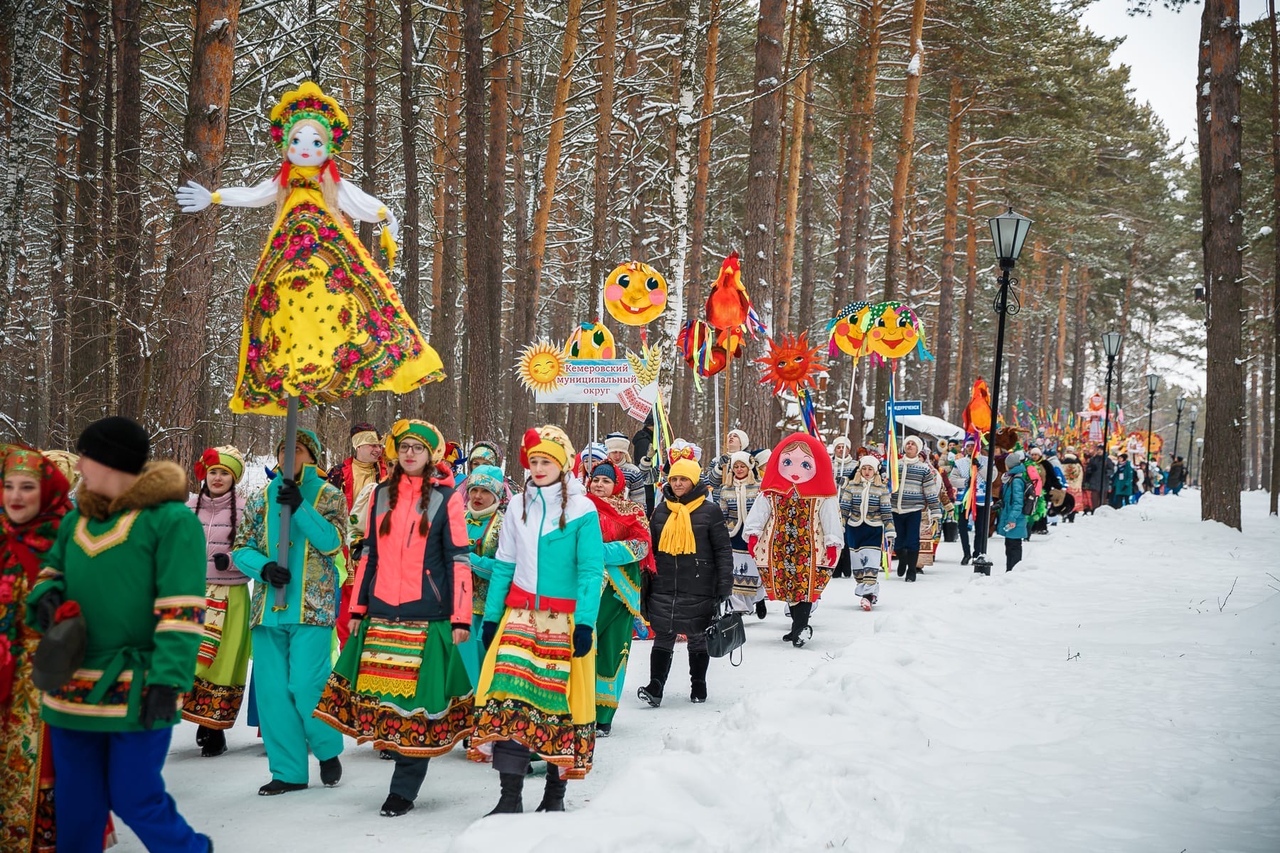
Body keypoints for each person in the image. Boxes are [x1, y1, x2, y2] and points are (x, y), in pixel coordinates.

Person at [24, 417, 211, 851]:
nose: (80, 466)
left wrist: (169, 680)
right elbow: (50, 574)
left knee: (135, 798)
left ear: (108, 460)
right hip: (71, 688)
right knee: (77, 807)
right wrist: (49, 598)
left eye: (85, 456)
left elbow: (182, 610)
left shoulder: (170, 522)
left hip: (139, 687)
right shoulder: (76, 523)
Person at [314, 420, 473, 818]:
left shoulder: (446, 498)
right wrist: (358, 609)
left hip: (427, 615)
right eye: (404, 446)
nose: (410, 453)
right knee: (384, 702)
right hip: (382, 614)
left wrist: (460, 617)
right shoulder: (381, 495)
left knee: (418, 705)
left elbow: (458, 560)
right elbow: (368, 554)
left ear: (432, 454)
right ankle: (396, 769)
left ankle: (403, 789)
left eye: (418, 448)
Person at [473, 426, 603, 814]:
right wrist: (492, 617)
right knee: (510, 702)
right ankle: (509, 797)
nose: (539, 467)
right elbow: (503, 565)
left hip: (564, 621)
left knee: (559, 706)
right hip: (520, 616)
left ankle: (553, 795)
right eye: (534, 461)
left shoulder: (583, 510)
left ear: (562, 465)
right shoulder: (517, 506)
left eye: (547, 461)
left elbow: (590, 570)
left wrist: (585, 623)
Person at [233, 428, 346, 796]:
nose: (288, 456)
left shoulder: (329, 494)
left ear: (311, 456)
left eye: (297, 450)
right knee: (273, 692)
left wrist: (300, 507)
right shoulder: (259, 497)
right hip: (268, 609)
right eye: (283, 450)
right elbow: (241, 547)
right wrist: (262, 567)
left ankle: (327, 748)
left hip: (312, 606)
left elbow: (332, 543)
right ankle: (289, 772)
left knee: (306, 684)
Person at [1, 446, 72, 851]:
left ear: (45, 492)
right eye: (8, 485)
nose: (15, 496)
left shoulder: (64, 540)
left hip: (40, 681)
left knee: (37, 765)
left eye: (27, 486)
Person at [641, 457, 733, 703]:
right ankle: (656, 686)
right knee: (663, 634)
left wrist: (724, 585)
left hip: (699, 584)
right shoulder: (661, 510)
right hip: (664, 583)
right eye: (674, 479)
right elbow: (652, 547)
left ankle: (698, 685)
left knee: (697, 635)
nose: (678, 483)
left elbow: (722, 550)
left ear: (693, 481)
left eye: (683, 479)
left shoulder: (710, 511)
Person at [181, 446, 252, 758]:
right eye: (214, 472)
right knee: (193, 658)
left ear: (234, 477)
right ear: (204, 475)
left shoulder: (246, 508)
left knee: (222, 662)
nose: (218, 477)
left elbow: (254, 547)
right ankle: (197, 717)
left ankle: (214, 728)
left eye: (225, 472)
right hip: (195, 593)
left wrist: (233, 560)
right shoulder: (189, 507)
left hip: (231, 595)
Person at [744, 433, 841, 647]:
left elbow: (830, 518)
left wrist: (832, 542)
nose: (795, 470)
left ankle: (800, 628)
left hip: (811, 546)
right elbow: (760, 512)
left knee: (806, 586)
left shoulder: (822, 495)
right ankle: (797, 626)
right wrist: (753, 532)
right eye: (787, 462)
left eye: (805, 464)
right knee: (788, 585)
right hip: (779, 545)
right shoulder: (772, 491)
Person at [584, 462, 652, 735]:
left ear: (617, 485)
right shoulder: (578, 508)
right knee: (585, 650)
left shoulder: (632, 511)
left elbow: (642, 545)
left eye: (606, 481)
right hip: (588, 591)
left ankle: (604, 715)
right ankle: (581, 708)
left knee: (613, 652)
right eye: (595, 479)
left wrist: (601, 552)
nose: (599, 485)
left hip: (621, 593)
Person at [458, 464, 506, 690]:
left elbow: (507, 568)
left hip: (483, 611)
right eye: (474, 489)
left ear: (497, 494)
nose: (478, 495)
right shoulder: (457, 518)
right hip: (453, 607)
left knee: (477, 670)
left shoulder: (504, 524)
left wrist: (472, 561)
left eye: (485, 491)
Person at [838, 456, 895, 611]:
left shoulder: (881, 488)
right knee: (858, 566)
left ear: (875, 471)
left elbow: (886, 512)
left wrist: (890, 531)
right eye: (864, 468)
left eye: (870, 469)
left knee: (871, 562)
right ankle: (869, 590)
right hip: (854, 529)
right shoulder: (851, 486)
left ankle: (868, 596)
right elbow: (844, 509)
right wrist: (840, 527)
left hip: (873, 528)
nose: (867, 472)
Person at [718, 450, 766, 618]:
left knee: (753, 570)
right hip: (733, 534)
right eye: (736, 467)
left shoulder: (759, 487)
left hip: (754, 534)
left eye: (742, 466)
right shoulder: (726, 489)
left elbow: (764, 511)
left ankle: (759, 598)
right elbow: (722, 513)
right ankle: (737, 608)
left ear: (749, 467)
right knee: (735, 572)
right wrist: (721, 532)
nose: (739, 469)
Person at [890, 435, 942, 583]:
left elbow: (930, 491)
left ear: (918, 448)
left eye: (913, 444)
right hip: (895, 509)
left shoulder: (924, 469)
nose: (910, 446)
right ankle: (902, 559)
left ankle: (911, 570)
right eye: (908, 443)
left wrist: (936, 511)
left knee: (912, 541)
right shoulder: (895, 465)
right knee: (898, 542)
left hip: (913, 510)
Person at [996, 450, 1030, 571]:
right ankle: (1009, 571)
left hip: (1015, 519)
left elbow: (1017, 502)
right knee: (1009, 546)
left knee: (1014, 547)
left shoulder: (1016, 481)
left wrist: (1012, 518)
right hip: (1012, 517)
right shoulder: (1011, 478)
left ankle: (1013, 572)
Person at [604, 431, 648, 506]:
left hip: (626, 514)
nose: (617, 456)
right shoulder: (601, 469)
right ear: (609, 451)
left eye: (621, 452)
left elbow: (640, 501)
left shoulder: (633, 472)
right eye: (614, 452)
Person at [1082, 446, 1113, 514]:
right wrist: (1091, 469)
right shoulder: (1093, 459)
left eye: (1101, 450)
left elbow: (1112, 470)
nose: (1099, 451)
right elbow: (1088, 470)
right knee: (1094, 499)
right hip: (1094, 483)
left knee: (1103, 499)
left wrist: (1107, 472)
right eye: (1098, 450)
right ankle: (1094, 511)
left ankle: (1102, 512)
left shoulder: (1108, 460)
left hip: (1104, 483)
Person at [1060, 446, 1085, 519]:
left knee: (1065, 501)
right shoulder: (1078, 465)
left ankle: (1064, 514)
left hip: (1066, 487)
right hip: (1075, 487)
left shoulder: (1062, 464)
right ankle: (1071, 516)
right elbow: (1081, 475)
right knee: (1074, 501)